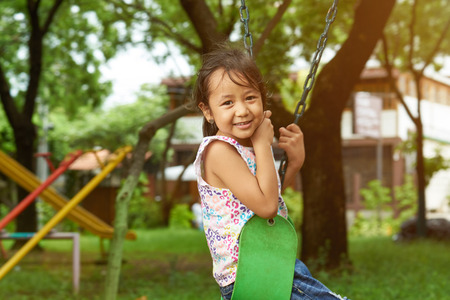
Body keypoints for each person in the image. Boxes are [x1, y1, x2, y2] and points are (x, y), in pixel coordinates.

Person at [193, 45, 348, 300]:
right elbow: (267, 207)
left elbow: (263, 197)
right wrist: (263, 144)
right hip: (255, 270)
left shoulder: (241, 148)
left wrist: (295, 163)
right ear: (208, 111)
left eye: (250, 98)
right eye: (228, 102)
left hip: (264, 264)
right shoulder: (219, 151)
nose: (242, 110)